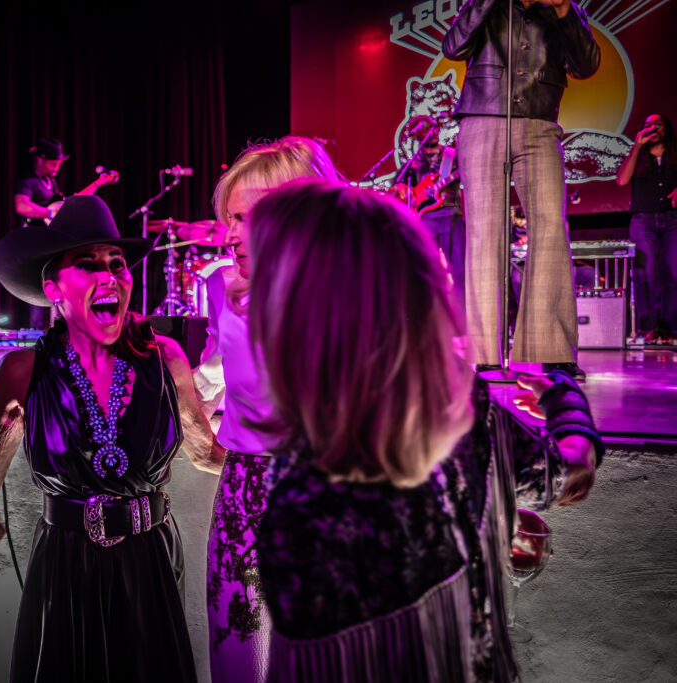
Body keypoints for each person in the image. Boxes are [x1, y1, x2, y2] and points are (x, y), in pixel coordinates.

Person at [246, 180, 602, 682]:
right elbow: (570, 475)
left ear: (300, 315)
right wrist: (563, 395)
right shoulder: (465, 402)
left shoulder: (305, 510)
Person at [0, 194, 226, 682]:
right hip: (65, 567)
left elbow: (204, 452)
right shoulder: (23, 371)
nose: (109, 275)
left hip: (149, 559)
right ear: (53, 288)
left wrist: (278, 475)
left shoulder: (164, 358)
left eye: (117, 264)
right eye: (87, 265)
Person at [191, 135, 343, 682]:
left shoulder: (347, 287)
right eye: (226, 219)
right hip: (244, 490)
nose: (228, 235)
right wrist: (187, 392)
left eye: (244, 218)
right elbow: (218, 366)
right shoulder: (219, 286)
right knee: (238, 658)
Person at [443, 0, 601, 380]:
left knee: (550, 229)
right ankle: (485, 352)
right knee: (485, 231)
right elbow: (454, 47)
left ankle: (553, 349)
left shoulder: (562, 8)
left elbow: (586, 64)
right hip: (482, 118)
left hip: (541, 122)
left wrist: (563, 9)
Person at [615, 113, 677, 344]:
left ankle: (670, 329)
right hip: (643, 221)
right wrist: (636, 147)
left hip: (673, 219)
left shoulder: (674, 153)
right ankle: (647, 329)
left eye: (658, 123)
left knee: (673, 272)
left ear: (667, 128)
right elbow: (621, 180)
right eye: (648, 124)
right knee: (645, 273)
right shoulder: (638, 156)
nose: (653, 128)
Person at [394, 132, 466, 309]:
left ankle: (462, 320)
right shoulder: (416, 160)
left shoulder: (450, 155)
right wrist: (404, 188)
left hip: (450, 212)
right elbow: (399, 182)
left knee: (459, 269)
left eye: (428, 128)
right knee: (422, 268)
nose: (426, 132)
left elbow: (465, 173)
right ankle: (425, 317)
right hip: (425, 217)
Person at [14, 136, 71, 329]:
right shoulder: (28, 179)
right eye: (53, 163)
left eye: (59, 164)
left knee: (50, 282)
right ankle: (36, 331)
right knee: (37, 285)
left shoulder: (50, 181)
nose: (57, 168)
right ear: (40, 160)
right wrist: (49, 212)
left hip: (48, 240)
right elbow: (21, 205)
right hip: (33, 239)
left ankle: (52, 329)